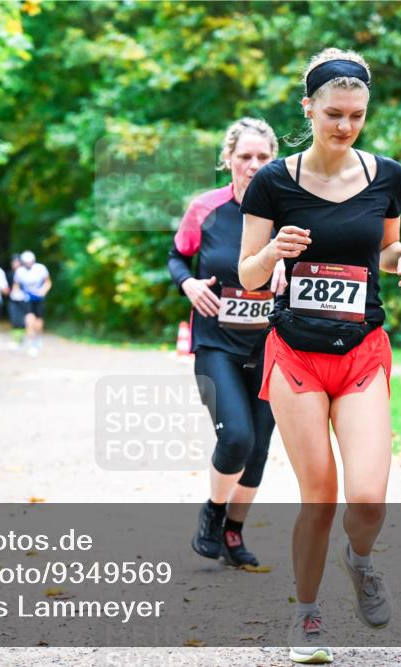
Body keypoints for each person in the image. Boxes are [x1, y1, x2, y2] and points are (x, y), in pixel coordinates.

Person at [238, 49, 401, 664]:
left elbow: (388, 250)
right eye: (333, 114)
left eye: (356, 115)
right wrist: (272, 257)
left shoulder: (388, 176)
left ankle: (361, 559)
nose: (344, 126)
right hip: (296, 352)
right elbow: (247, 274)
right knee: (319, 494)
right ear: (308, 109)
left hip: (363, 352)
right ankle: (307, 614)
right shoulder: (273, 182)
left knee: (367, 498)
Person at [169, 117, 284, 569]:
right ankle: (213, 513)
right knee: (235, 436)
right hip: (216, 343)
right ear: (229, 160)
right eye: (245, 157)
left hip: (272, 347)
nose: (253, 166)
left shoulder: (288, 211)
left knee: (258, 446)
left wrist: (288, 271)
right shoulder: (205, 208)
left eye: (262, 158)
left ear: (274, 161)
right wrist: (189, 284)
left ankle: (233, 534)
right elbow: (177, 255)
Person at [13, 250, 52, 357]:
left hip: (39, 298)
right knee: (29, 319)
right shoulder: (19, 271)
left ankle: (38, 337)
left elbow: (48, 282)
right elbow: (16, 285)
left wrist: (43, 291)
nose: (29, 264)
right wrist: (17, 293)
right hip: (27, 298)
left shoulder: (41, 268)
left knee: (38, 321)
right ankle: (32, 344)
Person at [7, 254, 28, 346]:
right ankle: (16, 340)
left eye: (17, 262)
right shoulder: (9, 274)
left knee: (23, 320)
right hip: (13, 300)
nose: (15, 264)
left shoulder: (25, 274)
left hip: (24, 300)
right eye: (14, 262)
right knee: (14, 320)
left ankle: (22, 339)